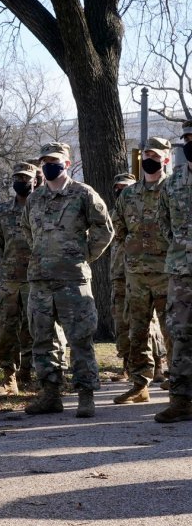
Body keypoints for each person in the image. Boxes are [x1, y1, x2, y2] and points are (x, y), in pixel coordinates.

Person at [22, 142, 114, 418]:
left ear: (67, 162)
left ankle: (86, 396)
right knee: (42, 339)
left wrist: (83, 255)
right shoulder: (35, 198)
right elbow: (29, 231)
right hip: (40, 280)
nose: (49, 165)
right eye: (45, 161)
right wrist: (41, 255)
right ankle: (50, 394)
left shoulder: (83, 194)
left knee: (80, 338)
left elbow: (104, 228)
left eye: (54, 160)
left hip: (72, 279)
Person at [113, 137, 174, 404]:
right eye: (146, 155)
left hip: (167, 273)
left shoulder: (173, 190)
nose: (150, 159)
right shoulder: (129, 194)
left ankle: (180, 383)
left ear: (166, 159)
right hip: (136, 275)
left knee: (173, 330)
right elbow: (119, 228)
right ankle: (140, 384)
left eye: (155, 155)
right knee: (136, 331)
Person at [155, 120, 192, 422]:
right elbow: (164, 222)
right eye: (188, 138)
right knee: (180, 333)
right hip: (182, 271)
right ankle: (180, 400)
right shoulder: (174, 182)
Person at [0, 162, 37, 396]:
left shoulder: (41, 207)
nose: (22, 182)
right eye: (18, 178)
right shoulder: (3, 212)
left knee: (32, 327)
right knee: (8, 327)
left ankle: (28, 372)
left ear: (35, 181)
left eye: (26, 179)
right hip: (10, 279)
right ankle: (9, 377)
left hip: (36, 277)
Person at [109, 173, 137, 382]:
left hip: (140, 273)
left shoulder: (142, 211)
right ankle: (127, 365)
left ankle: (155, 364)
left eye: (125, 187)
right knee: (121, 322)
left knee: (145, 323)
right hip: (119, 274)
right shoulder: (112, 214)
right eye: (118, 188)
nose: (121, 191)